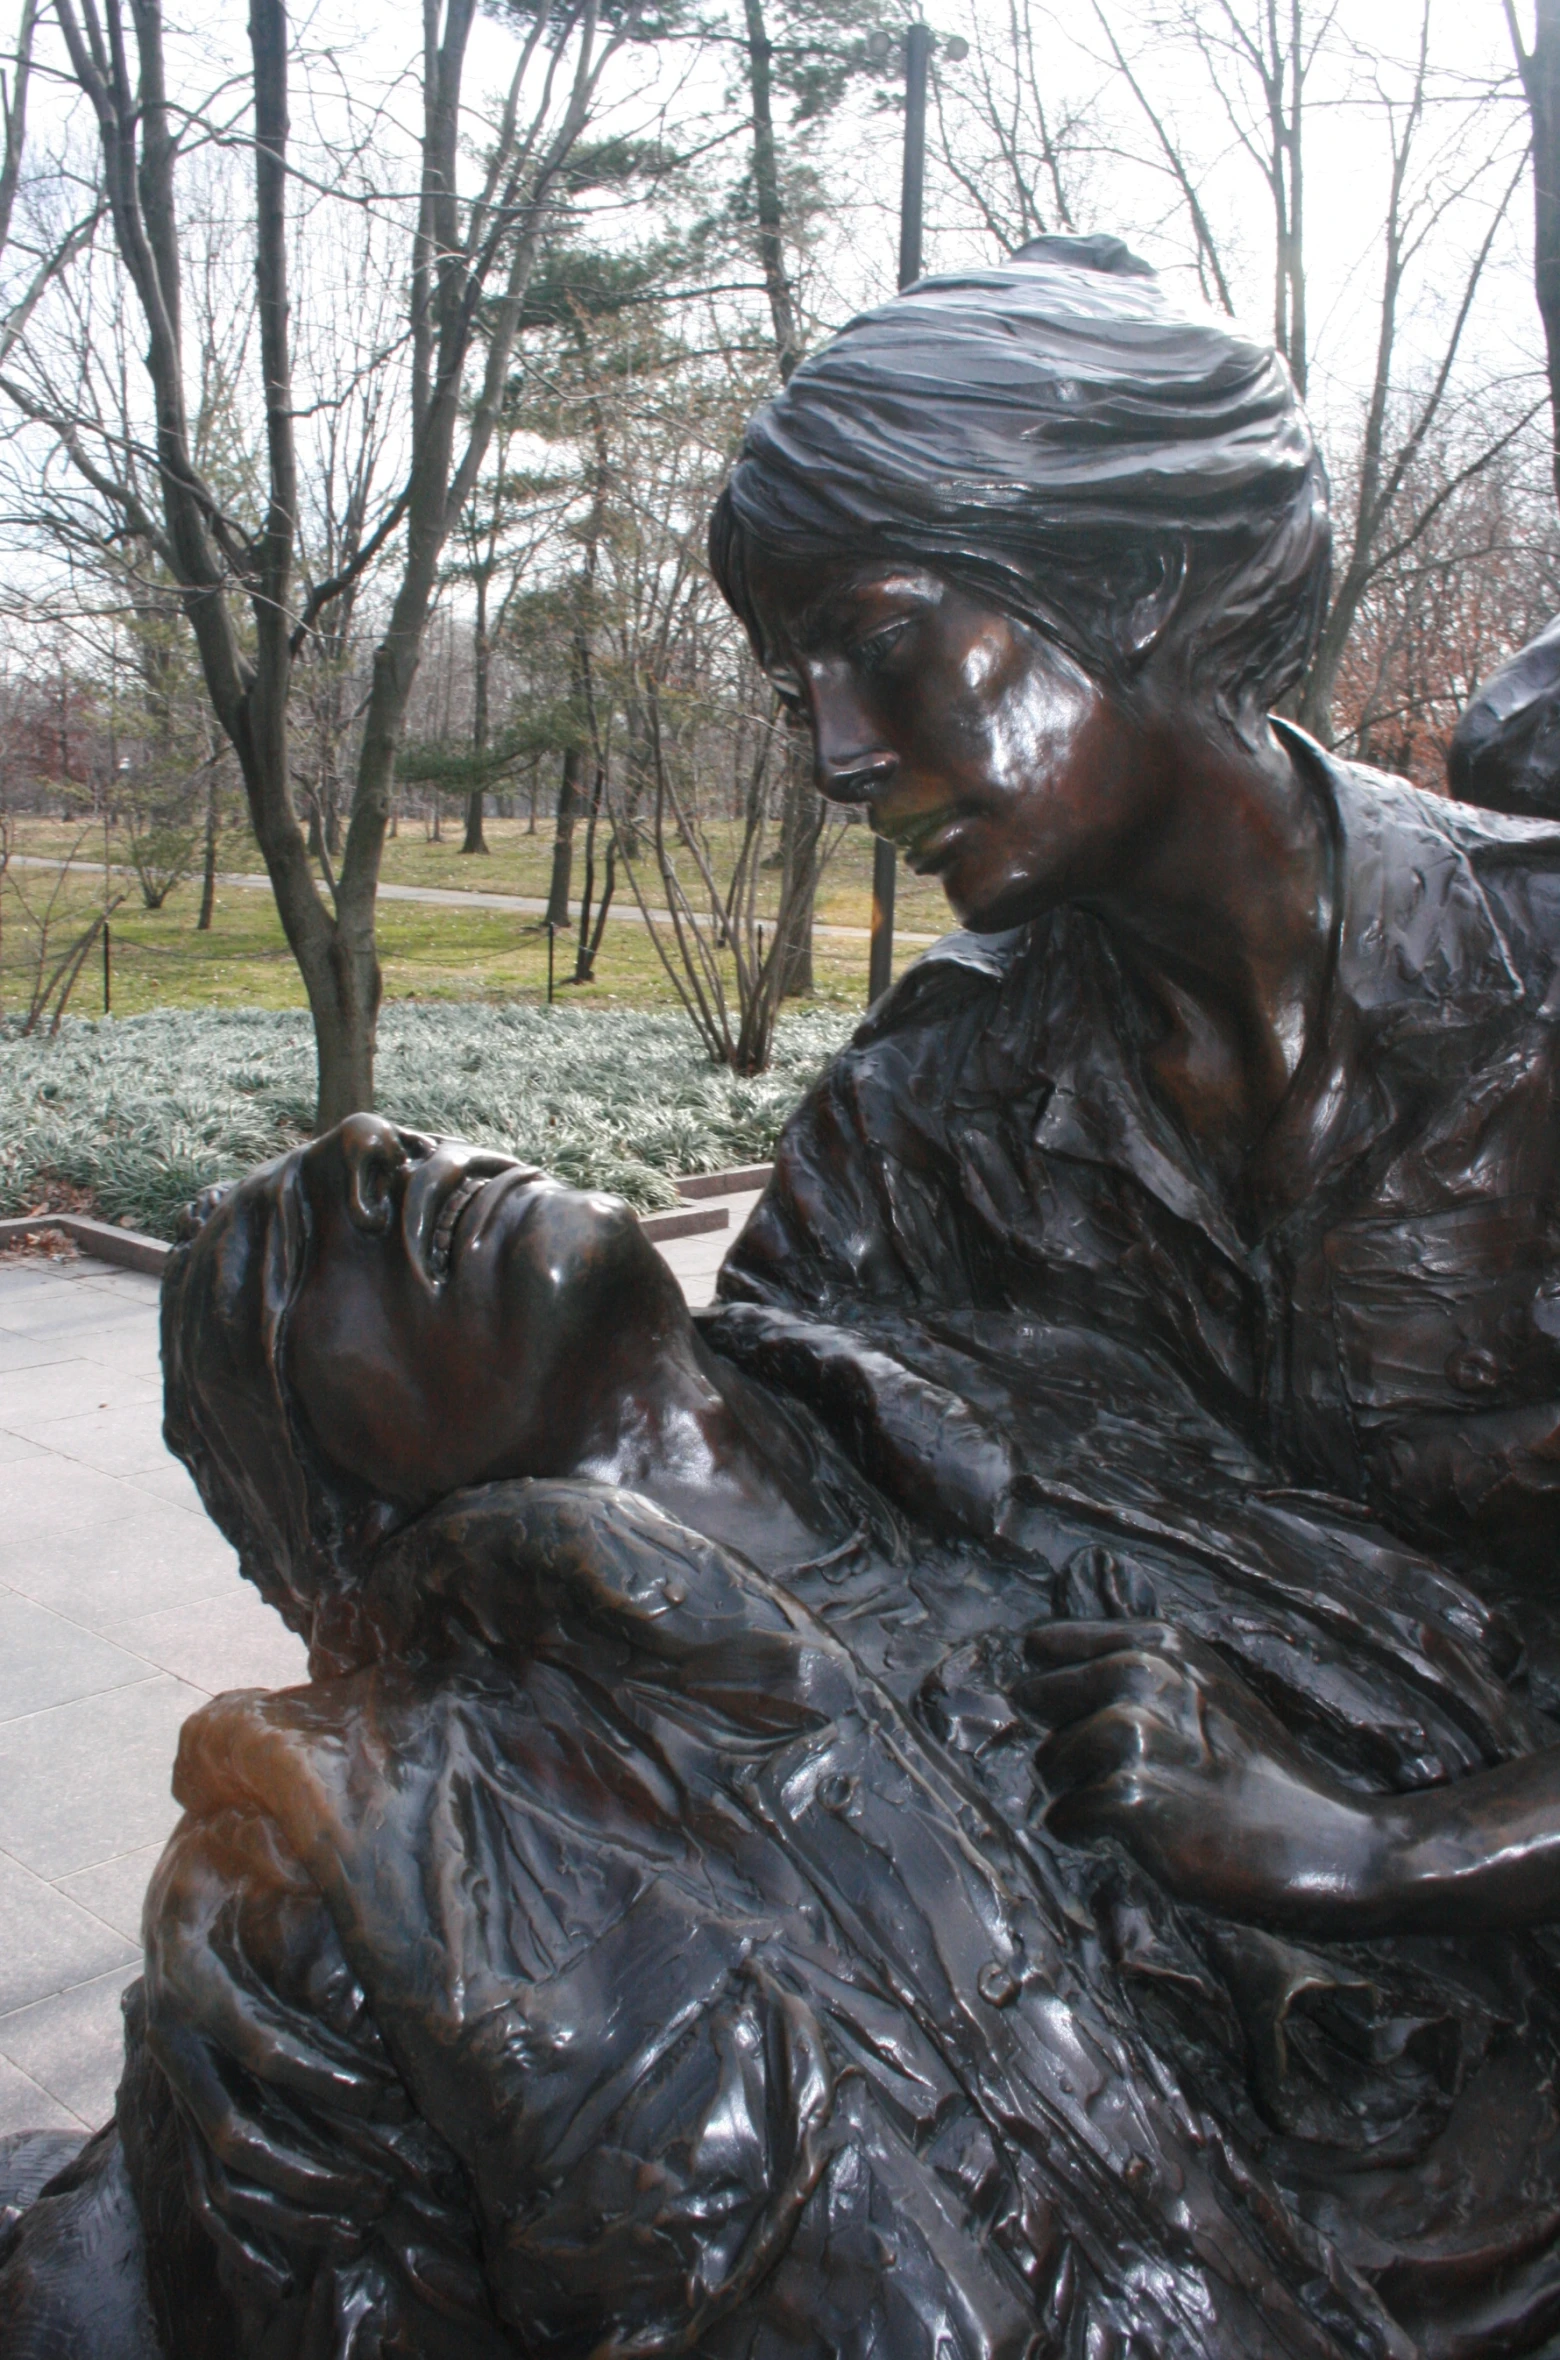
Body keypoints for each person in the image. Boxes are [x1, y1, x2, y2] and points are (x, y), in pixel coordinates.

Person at [7, 1116, 1560, 2358]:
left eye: (382, 1140)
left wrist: (1385, 1853)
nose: (369, 1152)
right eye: (286, 1263)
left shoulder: (1055, 1392)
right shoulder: (354, 1861)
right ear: (330, 1502)